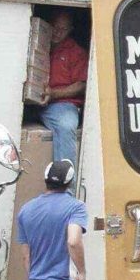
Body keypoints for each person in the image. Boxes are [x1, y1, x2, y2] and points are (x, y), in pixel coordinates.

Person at [41, 11, 89, 168]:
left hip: (61, 104)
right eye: (55, 27)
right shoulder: (37, 43)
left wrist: (53, 93)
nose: (57, 32)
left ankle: (64, 186)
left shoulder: (76, 52)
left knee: (66, 125)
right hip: (32, 102)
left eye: (63, 29)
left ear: (70, 30)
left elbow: (81, 85)